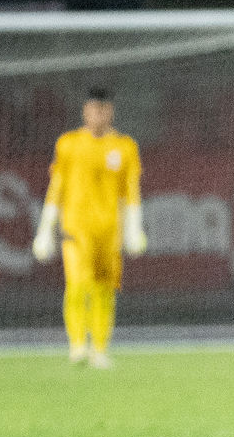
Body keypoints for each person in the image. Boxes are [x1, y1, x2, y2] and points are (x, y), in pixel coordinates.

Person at [31, 88, 147, 368]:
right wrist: (45, 230)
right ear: (85, 112)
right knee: (77, 285)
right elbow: (56, 187)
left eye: (103, 109)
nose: (98, 115)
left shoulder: (125, 147)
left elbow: (131, 191)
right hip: (75, 228)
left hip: (109, 231)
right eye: (94, 109)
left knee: (105, 289)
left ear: (111, 112)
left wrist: (134, 229)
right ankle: (77, 345)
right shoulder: (69, 144)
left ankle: (100, 348)